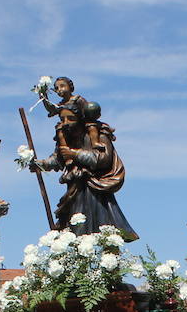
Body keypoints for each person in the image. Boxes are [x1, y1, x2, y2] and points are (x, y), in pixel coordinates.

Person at [32, 98, 137, 240]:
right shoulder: (66, 138)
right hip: (76, 188)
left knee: (104, 227)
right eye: (62, 119)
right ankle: (78, 255)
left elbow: (104, 158)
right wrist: (42, 164)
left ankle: (110, 256)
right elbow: (59, 158)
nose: (66, 123)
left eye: (70, 118)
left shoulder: (98, 135)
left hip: (95, 188)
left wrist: (75, 154)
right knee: (75, 226)